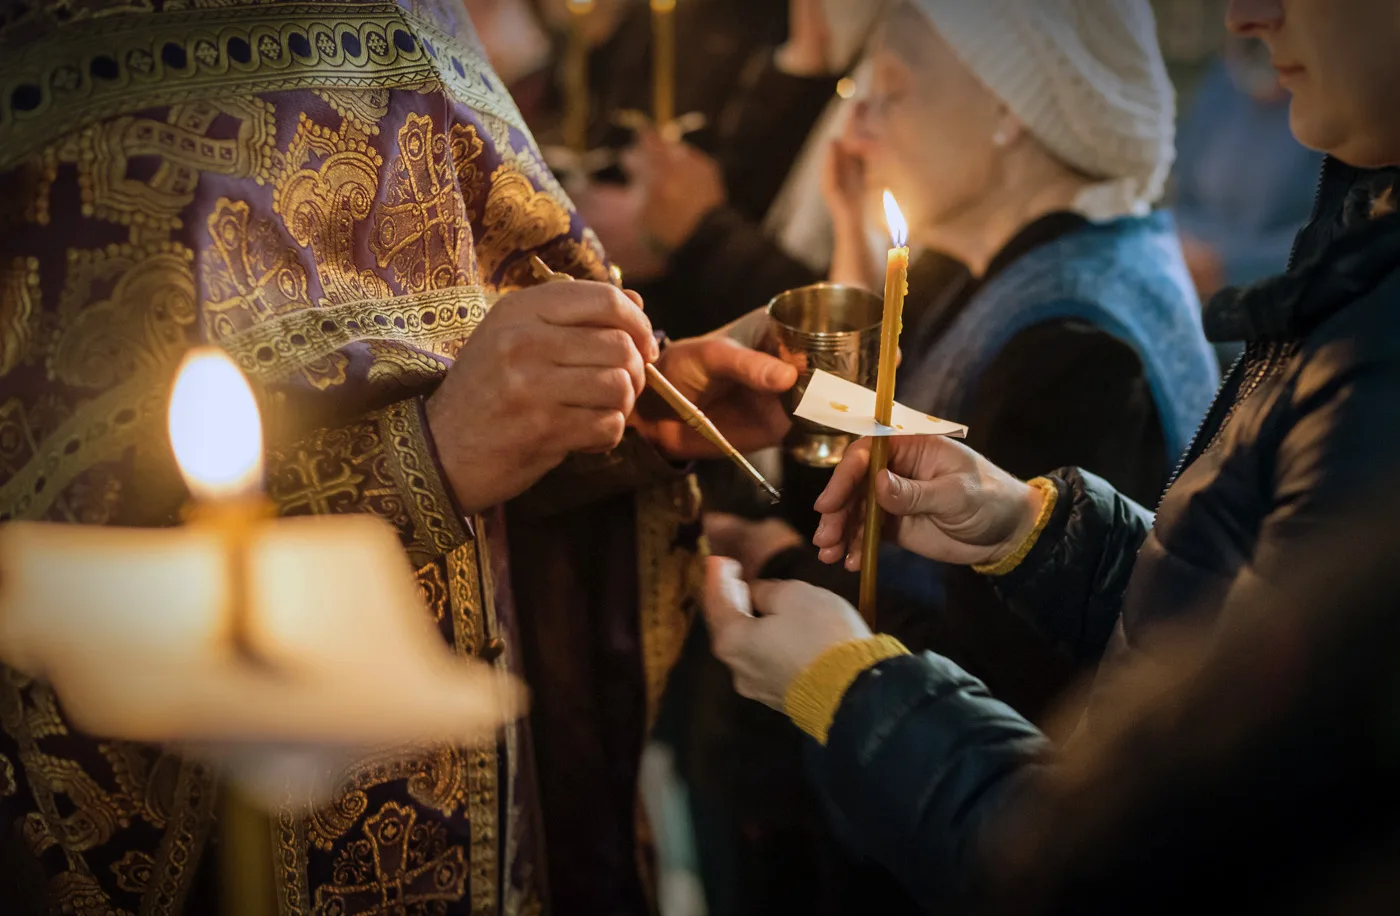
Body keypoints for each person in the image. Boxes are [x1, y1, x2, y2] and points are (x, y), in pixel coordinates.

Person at [0, 0, 797, 913]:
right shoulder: (48, 65)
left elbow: (480, 337)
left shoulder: (423, 21)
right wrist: (426, 460)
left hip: (494, 809)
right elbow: (56, 537)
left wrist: (630, 419)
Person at [699, 0, 1400, 909]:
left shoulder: (1080, 331)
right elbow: (1222, 618)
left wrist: (846, 683)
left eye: (893, 89)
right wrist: (1034, 525)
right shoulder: (1351, 271)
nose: (1243, 15)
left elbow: (1146, 839)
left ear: (1010, 111)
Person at [712, 0, 1221, 718]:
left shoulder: (1073, 348)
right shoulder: (998, 269)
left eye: (889, 90)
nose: (854, 131)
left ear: (1009, 108)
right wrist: (852, 286)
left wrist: (775, 563)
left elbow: (1003, 685)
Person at [1172, 36, 1325, 302]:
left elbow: (1346, 232)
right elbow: (1186, 197)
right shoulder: (1221, 86)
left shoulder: (1336, 105)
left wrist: (1231, 267)